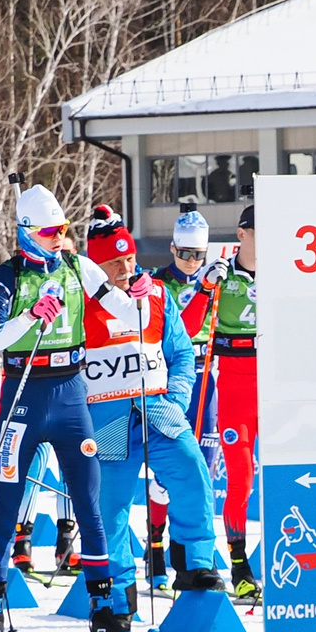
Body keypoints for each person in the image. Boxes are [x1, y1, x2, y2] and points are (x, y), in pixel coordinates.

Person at [0, 184, 139, 632]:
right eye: (49, 231)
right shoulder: (8, 275)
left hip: (70, 395)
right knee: (5, 506)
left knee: (89, 502)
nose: (59, 238)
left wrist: (139, 289)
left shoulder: (76, 266)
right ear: (26, 233)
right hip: (23, 395)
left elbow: (122, 307)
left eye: (63, 229)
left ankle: (104, 612)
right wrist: (30, 317)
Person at [81, 207, 222, 606]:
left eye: (129, 259)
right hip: (107, 419)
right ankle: (120, 588)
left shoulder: (156, 294)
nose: (126, 269)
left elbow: (180, 354)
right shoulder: (84, 301)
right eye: (114, 263)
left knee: (193, 472)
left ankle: (194, 563)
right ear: (96, 265)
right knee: (110, 507)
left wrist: (175, 399)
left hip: (158, 412)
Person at [144, 203, 220, 582]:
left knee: (202, 466)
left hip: (206, 377)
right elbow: (184, 332)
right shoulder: (158, 283)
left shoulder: (215, 280)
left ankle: (188, 554)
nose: (192, 261)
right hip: (170, 380)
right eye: (185, 254)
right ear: (173, 250)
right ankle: (155, 543)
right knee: (166, 470)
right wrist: (204, 290)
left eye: (199, 255)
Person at [206, 202, 261, 599]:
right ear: (242, 234)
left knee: (279, 476)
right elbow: (192, 324)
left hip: (275, 383)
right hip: (235, 383)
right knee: (240, 478)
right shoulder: (222, 272)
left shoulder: (287, 271)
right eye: (260, 232)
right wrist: (207, 287)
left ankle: (285, 556)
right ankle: (239, 564)